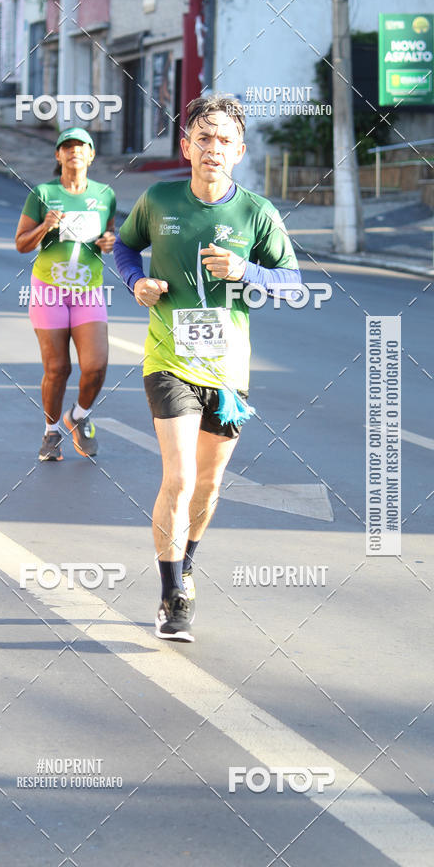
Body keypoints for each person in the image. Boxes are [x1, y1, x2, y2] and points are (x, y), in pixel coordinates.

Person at [114, 94, 301, 641]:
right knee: (179, 475)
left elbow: (291, 284)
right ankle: (172, 593)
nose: (212, 148)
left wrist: (248, 272)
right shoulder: (159, 199)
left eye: (223, 140)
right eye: (203, 137)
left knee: (210, 485)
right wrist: (136, 283)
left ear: (239, 151)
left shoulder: (257, 214)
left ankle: (187, 561)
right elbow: (125, 249)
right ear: (186, 146)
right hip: (167, 359)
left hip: (227, 373)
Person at [15, 127, 116, 461]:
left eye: (81, 146)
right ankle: (51, 432)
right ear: (58, 156)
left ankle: (79, 415)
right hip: (49, 290)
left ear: (91, 155)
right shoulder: (43, 192)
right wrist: (45, 226)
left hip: (88, 290)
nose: (74, 151)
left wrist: (109, 241)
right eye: (67, 146)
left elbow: (109, 235)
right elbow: (20, 243)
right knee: (58, 368)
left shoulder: (105, 195)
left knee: (96, 365)